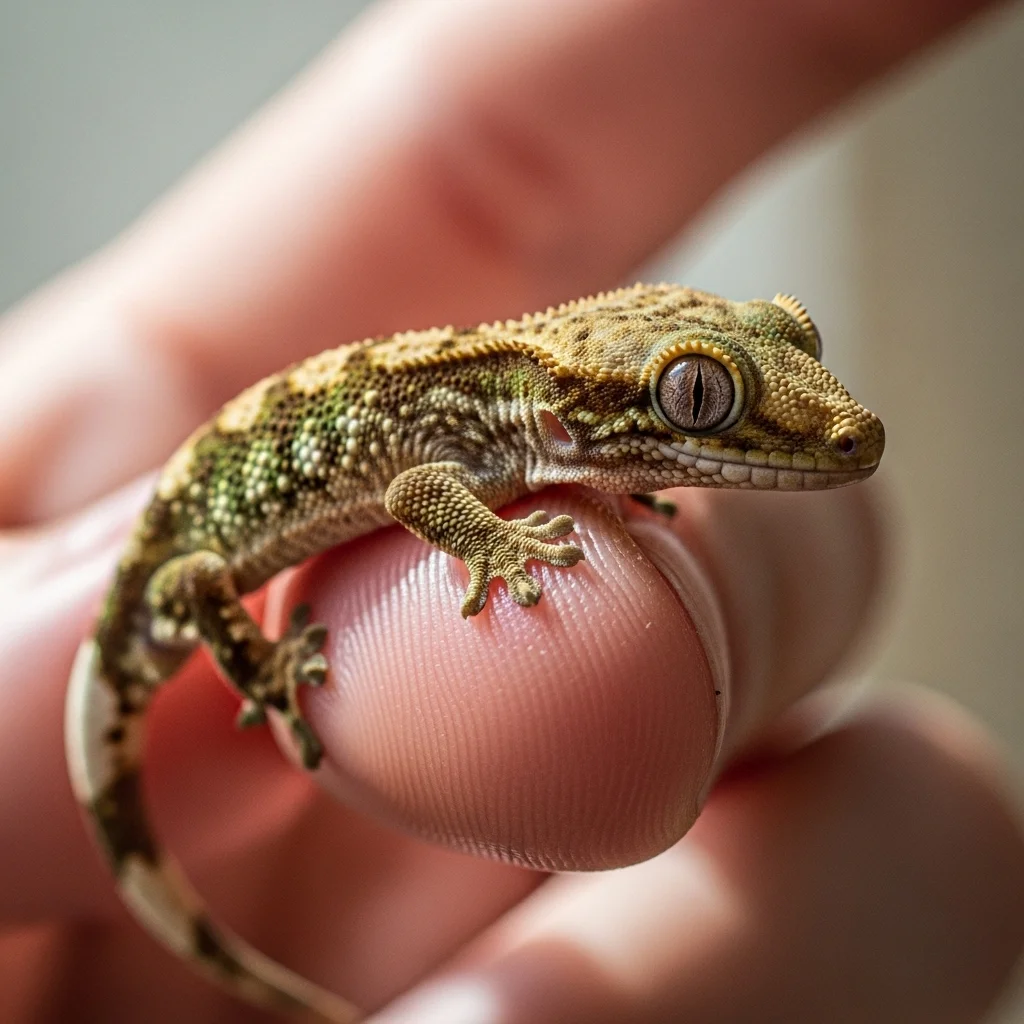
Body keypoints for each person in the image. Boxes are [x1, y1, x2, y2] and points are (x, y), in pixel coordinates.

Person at [1, 1, 1021, 1021]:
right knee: (199, 591)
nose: (833, 429)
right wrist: (288, 662)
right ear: (578, 406)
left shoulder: (529, 426)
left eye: (785, 346)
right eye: (699, 402)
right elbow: (411, 490)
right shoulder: (487, 437)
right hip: (165, 580)